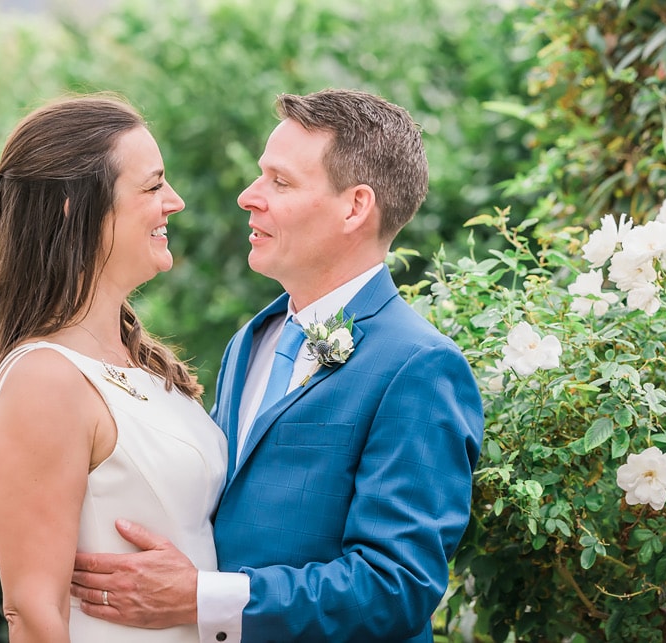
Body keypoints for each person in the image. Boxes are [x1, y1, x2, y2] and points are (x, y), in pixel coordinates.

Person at [70, 88, 484, 642]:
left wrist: (201, 597)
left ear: (355, 207)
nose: (248, 196)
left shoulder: (419, 367)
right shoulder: (252, 339)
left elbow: (397, 586)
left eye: (280, 182)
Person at [0, 94, 228, 643]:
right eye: (151, 186)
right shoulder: (44, 379)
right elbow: (34, 613)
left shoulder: (141, 364)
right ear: (72, 207)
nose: (173, 202)